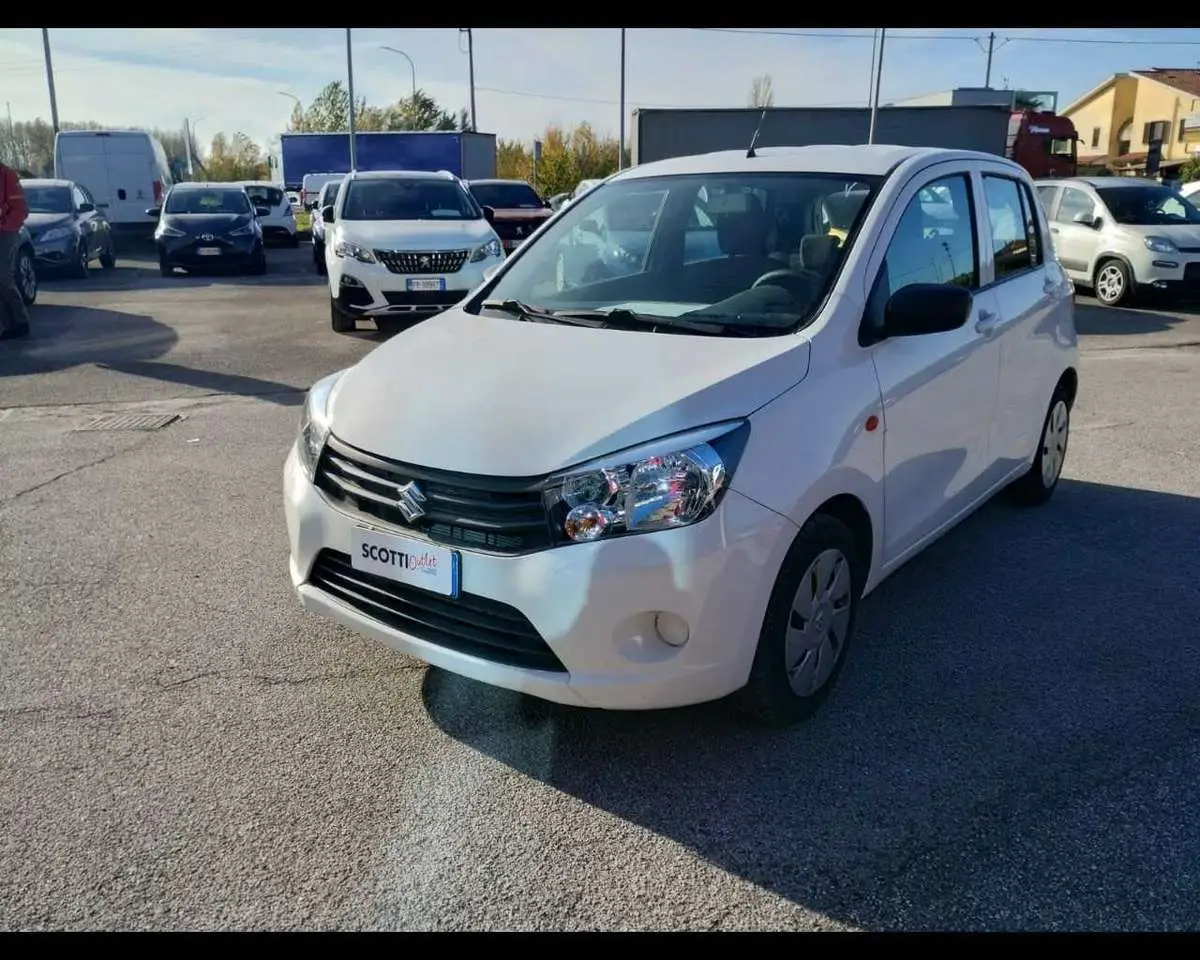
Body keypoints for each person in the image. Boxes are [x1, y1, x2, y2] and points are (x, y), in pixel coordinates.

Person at [0, 159, 31, 341]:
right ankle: (6, 326)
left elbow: (19, 208)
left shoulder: (6, 175)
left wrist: (6, 226)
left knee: (3, 276)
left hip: (5, 232)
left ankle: (20, 321)